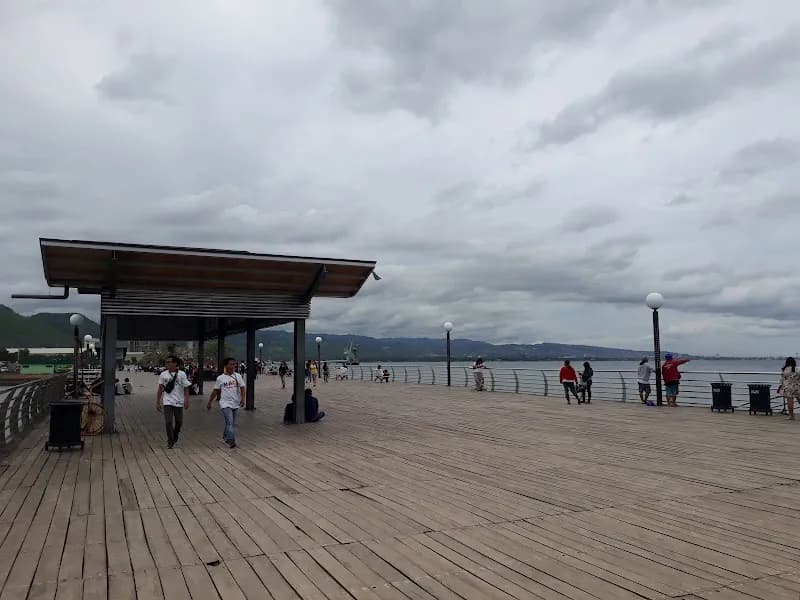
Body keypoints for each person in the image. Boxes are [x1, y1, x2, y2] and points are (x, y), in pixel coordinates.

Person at [207, 357, 245, 448]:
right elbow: (215, 391)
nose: (233, 366)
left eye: (234, 364)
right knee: (230, 423)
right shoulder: (220, 378)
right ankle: (231, 440)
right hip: (225, 403)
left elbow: (242, 388)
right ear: (226, 365)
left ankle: (225, 435)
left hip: (235, 403)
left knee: (231, 423)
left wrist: (243, 399)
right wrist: (209, 402)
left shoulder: (238, 376)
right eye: (231, 364)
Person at [156, 355, 191, 449]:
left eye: (169, 362)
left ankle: (175, 435)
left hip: (179, 401)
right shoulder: (163, 374)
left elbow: (186, 387)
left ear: (175, 363)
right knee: (168, 422)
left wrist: (186, 400)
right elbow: (160, 389)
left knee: (179, 422)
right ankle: (170, 440)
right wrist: (157, 402)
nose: (167, 364)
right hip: (167, 401)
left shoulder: (182, 374)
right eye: (166, 362)